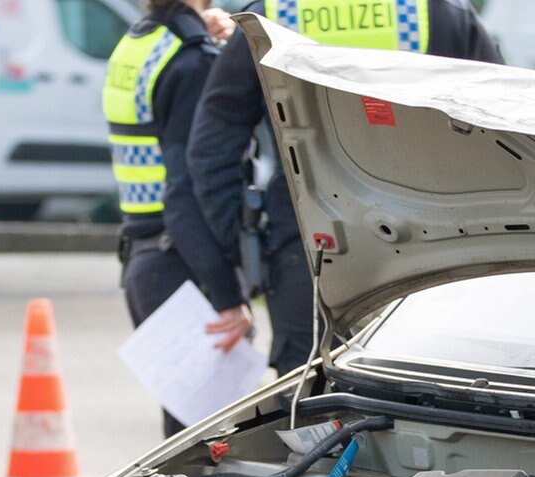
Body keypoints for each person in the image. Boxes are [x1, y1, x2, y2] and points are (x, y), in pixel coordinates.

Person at [188, 0, 504, 375]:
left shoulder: (271, 14)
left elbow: (210, 153)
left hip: (308, 247)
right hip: (437, 245)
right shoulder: (438, 11)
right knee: (431, 390)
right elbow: (502, 126)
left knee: (309, 403)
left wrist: (248, 245)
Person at [108, 0, 254, 437]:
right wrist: (229, 297)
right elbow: (186, 192)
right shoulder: (192, 61)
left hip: (145, 264)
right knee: (210, 452)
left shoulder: (139, 43)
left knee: (187, 446)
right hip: (185, 269)